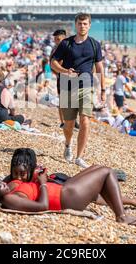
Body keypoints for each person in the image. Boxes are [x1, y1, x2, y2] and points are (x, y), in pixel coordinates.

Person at [0, 166, 136, 227]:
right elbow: (42, 206)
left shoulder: (8, 192)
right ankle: (121, 216)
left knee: (97, 167)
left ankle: (127, 205)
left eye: (0, 181)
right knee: (106, 172)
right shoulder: (8, 199)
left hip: (64, 191)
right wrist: (43, 182)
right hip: (66, 197)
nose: (4, 184)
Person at [3, 148, 136, 213]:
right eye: (15, 173)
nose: (18, 177)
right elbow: (7, 187)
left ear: (31, 169)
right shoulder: (15, 183)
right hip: (67, 193)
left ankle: (134, 200)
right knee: (100, 183)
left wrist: (41, 177)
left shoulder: (34, 175)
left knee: (97, 168)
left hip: (63, 187)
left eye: (22, 174)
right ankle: (130, 206)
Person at [51, 13, 106, 168]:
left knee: (85, 121)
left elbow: (100, 67)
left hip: (86, 86)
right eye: (80, 23)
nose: (82, 26)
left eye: (85, 23)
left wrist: (103, 88)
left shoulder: (95, 44)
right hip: (67, 86)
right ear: (75, 25)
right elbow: (53, 62)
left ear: (89, 25)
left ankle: (79, 157)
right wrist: (64, 71)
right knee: (68, 125)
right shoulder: (66, 44)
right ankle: (68, 144)